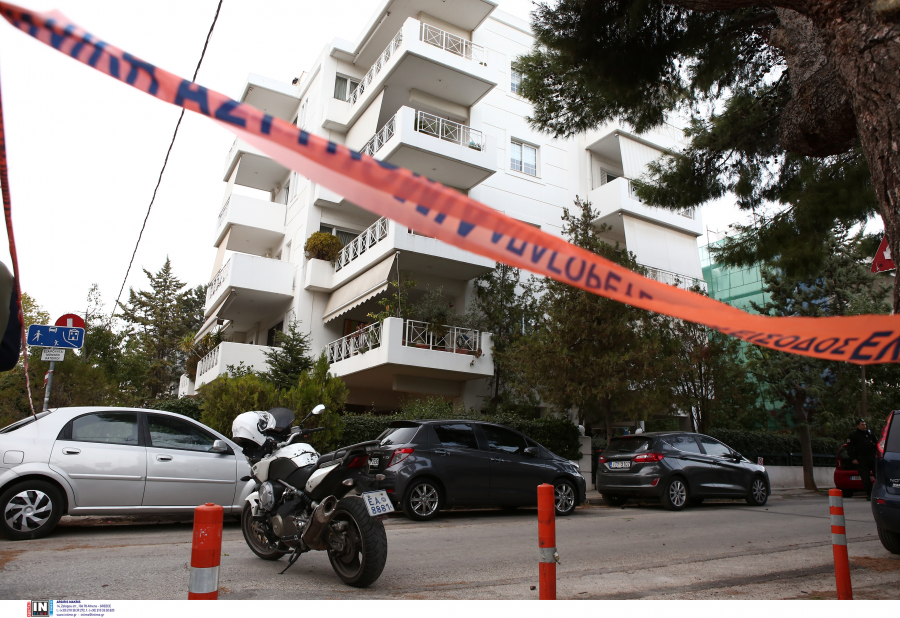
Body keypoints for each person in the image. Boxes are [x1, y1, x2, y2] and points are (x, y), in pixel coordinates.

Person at [846, 418, 878, 500]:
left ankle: (879, 493)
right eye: (862, 425)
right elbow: (850, 448)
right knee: (865, 478)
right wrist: (853, 458)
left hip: (872, 458)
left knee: (878, 475)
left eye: (865, 425)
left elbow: (876, 444)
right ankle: (870, 494)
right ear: (858, 426)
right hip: (862, 459)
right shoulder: (853, 435)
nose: (864, 426)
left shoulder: (869, 433)